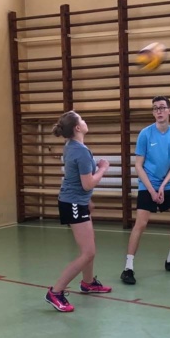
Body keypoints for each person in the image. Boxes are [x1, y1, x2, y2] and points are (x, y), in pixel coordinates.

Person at [46, 111, 112, 312]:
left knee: (89, 248)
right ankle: (55, 292)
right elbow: (87, 183)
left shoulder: (71, 146)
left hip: (77, 201)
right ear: (77, 128)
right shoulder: (80, 151)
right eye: (82, 120)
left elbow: (74, 178)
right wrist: (103, 168)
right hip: (73, 203)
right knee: (88, 252)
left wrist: (87, 200)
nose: (85, 121)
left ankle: (88, 283)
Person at [120, 96, 170, 285]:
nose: (159, 111)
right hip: (147, 184)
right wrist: (151, 190)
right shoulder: (145, 134)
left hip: (166, 184)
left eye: (162, 107)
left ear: (169, 110)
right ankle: (128, 268)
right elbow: (138, 165)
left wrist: (163, 186)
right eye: (155, 108)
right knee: (140, 224)